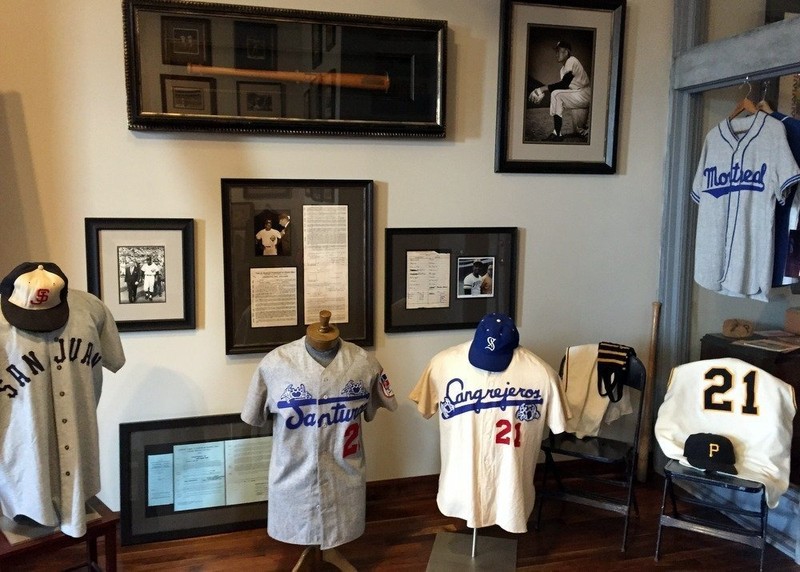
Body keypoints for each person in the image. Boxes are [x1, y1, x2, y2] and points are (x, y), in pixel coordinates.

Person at [529, 40, 591, 142]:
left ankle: (557, 134)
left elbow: (564, 84)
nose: (556, 54)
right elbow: (564, 87)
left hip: (584, 94)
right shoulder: (562, 70)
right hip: (577, 96)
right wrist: (543, 94)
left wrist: (541, 89)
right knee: (579, 131)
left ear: (566, 52)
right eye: (556, 51)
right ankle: (581, 130)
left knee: (556, 95)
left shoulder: (572, 60)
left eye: (559, 51)